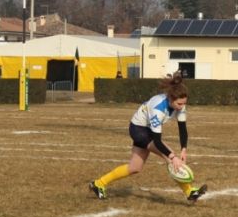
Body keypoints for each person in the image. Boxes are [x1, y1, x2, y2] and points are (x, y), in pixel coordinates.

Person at [89, 71, 207, 202]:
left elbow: (182, 129)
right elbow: (157, 140)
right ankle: (189, 192)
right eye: (179, 104)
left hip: (147, 130)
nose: (182, 107)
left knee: (134, 168)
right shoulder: (158, 108)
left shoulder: (179, 105)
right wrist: (173, 157)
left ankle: (99, 183)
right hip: (138, 130)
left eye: (184, 103)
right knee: (169, 157)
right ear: (171, 99)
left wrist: (184, 148)